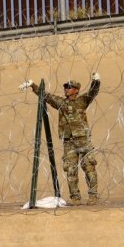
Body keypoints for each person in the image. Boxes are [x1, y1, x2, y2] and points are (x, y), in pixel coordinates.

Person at [23, 74, 102, 205]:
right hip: (68, 141)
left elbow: (93, 92)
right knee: (71, 169)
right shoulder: (62, 103)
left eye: (70, 87)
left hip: (83, 139)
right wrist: (33, 86)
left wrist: (96, 81)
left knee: (89, 167)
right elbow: (47, 96)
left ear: (76, 90)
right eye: (65, 87)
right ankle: (75, 197)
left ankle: (93, 196)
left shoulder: (82, 100)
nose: (66, 89)